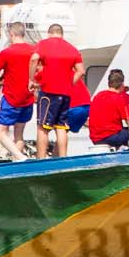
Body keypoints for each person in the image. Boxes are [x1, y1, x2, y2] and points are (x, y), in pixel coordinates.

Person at [31, 23, 85, 159]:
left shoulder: (43, 44)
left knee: (43, 127)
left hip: (48, 92)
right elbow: (81, 71)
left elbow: (34, 59)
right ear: (62, 34)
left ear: (49, 33)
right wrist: (69, 84)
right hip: (65, 94)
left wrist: (31, 79)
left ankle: (41, 160)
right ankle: (63, 158)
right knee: (61, 127)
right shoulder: (72, 49)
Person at [0, 23, 40, 158]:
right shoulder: (34, 51)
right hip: (28, 99)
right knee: (19, 134)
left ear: (11, 35)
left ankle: (21, 158)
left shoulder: (7, 52)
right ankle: (16, 161)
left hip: (12, 98)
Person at [86, 69, 129, 149]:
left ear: (109, 83)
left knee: (125, 133)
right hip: (112, 137)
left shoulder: (98, 96)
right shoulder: (119, 98)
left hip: (96, 139)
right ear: (122, 85)